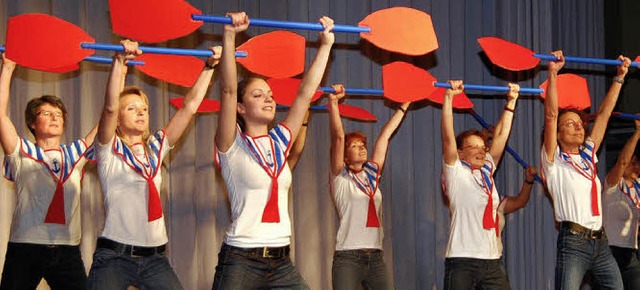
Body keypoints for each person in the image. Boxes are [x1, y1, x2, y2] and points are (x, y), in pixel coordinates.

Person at [212, 11, 334, 289]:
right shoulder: (231, 143)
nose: (268, 99)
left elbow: (305, 92)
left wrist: (325, 45)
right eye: (257, 95)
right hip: (241, 259)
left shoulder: (280, 141)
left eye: (269, 94)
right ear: (241, 109)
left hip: (281, 261)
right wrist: (229, 36)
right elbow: (229, 90)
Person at [86, 40, 221, 289]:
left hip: (155, 259)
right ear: (118, 120)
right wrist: (119, 62)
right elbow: (108, 108)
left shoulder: (156, 147)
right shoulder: (108, 149)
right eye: (132, 108)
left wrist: (209, 67)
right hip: (115, 257)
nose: (141, 112)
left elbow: (189, 107)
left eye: (144, 108)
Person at [0, 53, 97, 289]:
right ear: (32, 123)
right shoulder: (22, 150)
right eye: (46, 113)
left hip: (67, 249)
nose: (54, 117)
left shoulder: (76, 152)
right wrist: (8, 68)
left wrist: (121, 68)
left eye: (59, 115)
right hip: (25, 246)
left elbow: (109, 118)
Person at [541, 50, 630, 289]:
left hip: (600, 241)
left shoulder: (588, 154)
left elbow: (603, 116)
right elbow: (551, 115)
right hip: (574, 242)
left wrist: (619, 77)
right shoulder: (553, 160)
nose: (578, 128)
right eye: (569, 124)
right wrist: (552, 74)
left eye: (580, 124)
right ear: (558, 134)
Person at [327, 84, 409, 290]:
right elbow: (338, 138)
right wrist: (334, 103)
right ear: (345, 157)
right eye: (354, 146)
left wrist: (403, 107)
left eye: (362, 145)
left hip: (375, 256)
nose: (362, 148)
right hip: (348, 257)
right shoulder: (341, 177)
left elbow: (384, 137)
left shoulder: (372, 175)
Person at [440, 80, 520, 289]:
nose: (480, 151)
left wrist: (511, 102)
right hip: (462, 260)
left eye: (482, 147)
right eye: (472, 147)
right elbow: (448, 138)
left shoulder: (486, 169)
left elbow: (501, 135)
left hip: (492, 260)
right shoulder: (455, 171)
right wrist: (448, 99)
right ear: (460, 153)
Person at [602, 118, 640, 289]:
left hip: (631, 253)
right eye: (632, 163)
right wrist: (638, 133)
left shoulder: (638, 186)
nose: (636, 166)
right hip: (610, 253)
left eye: (638, 162)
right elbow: (623, 161)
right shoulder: (612, 185)